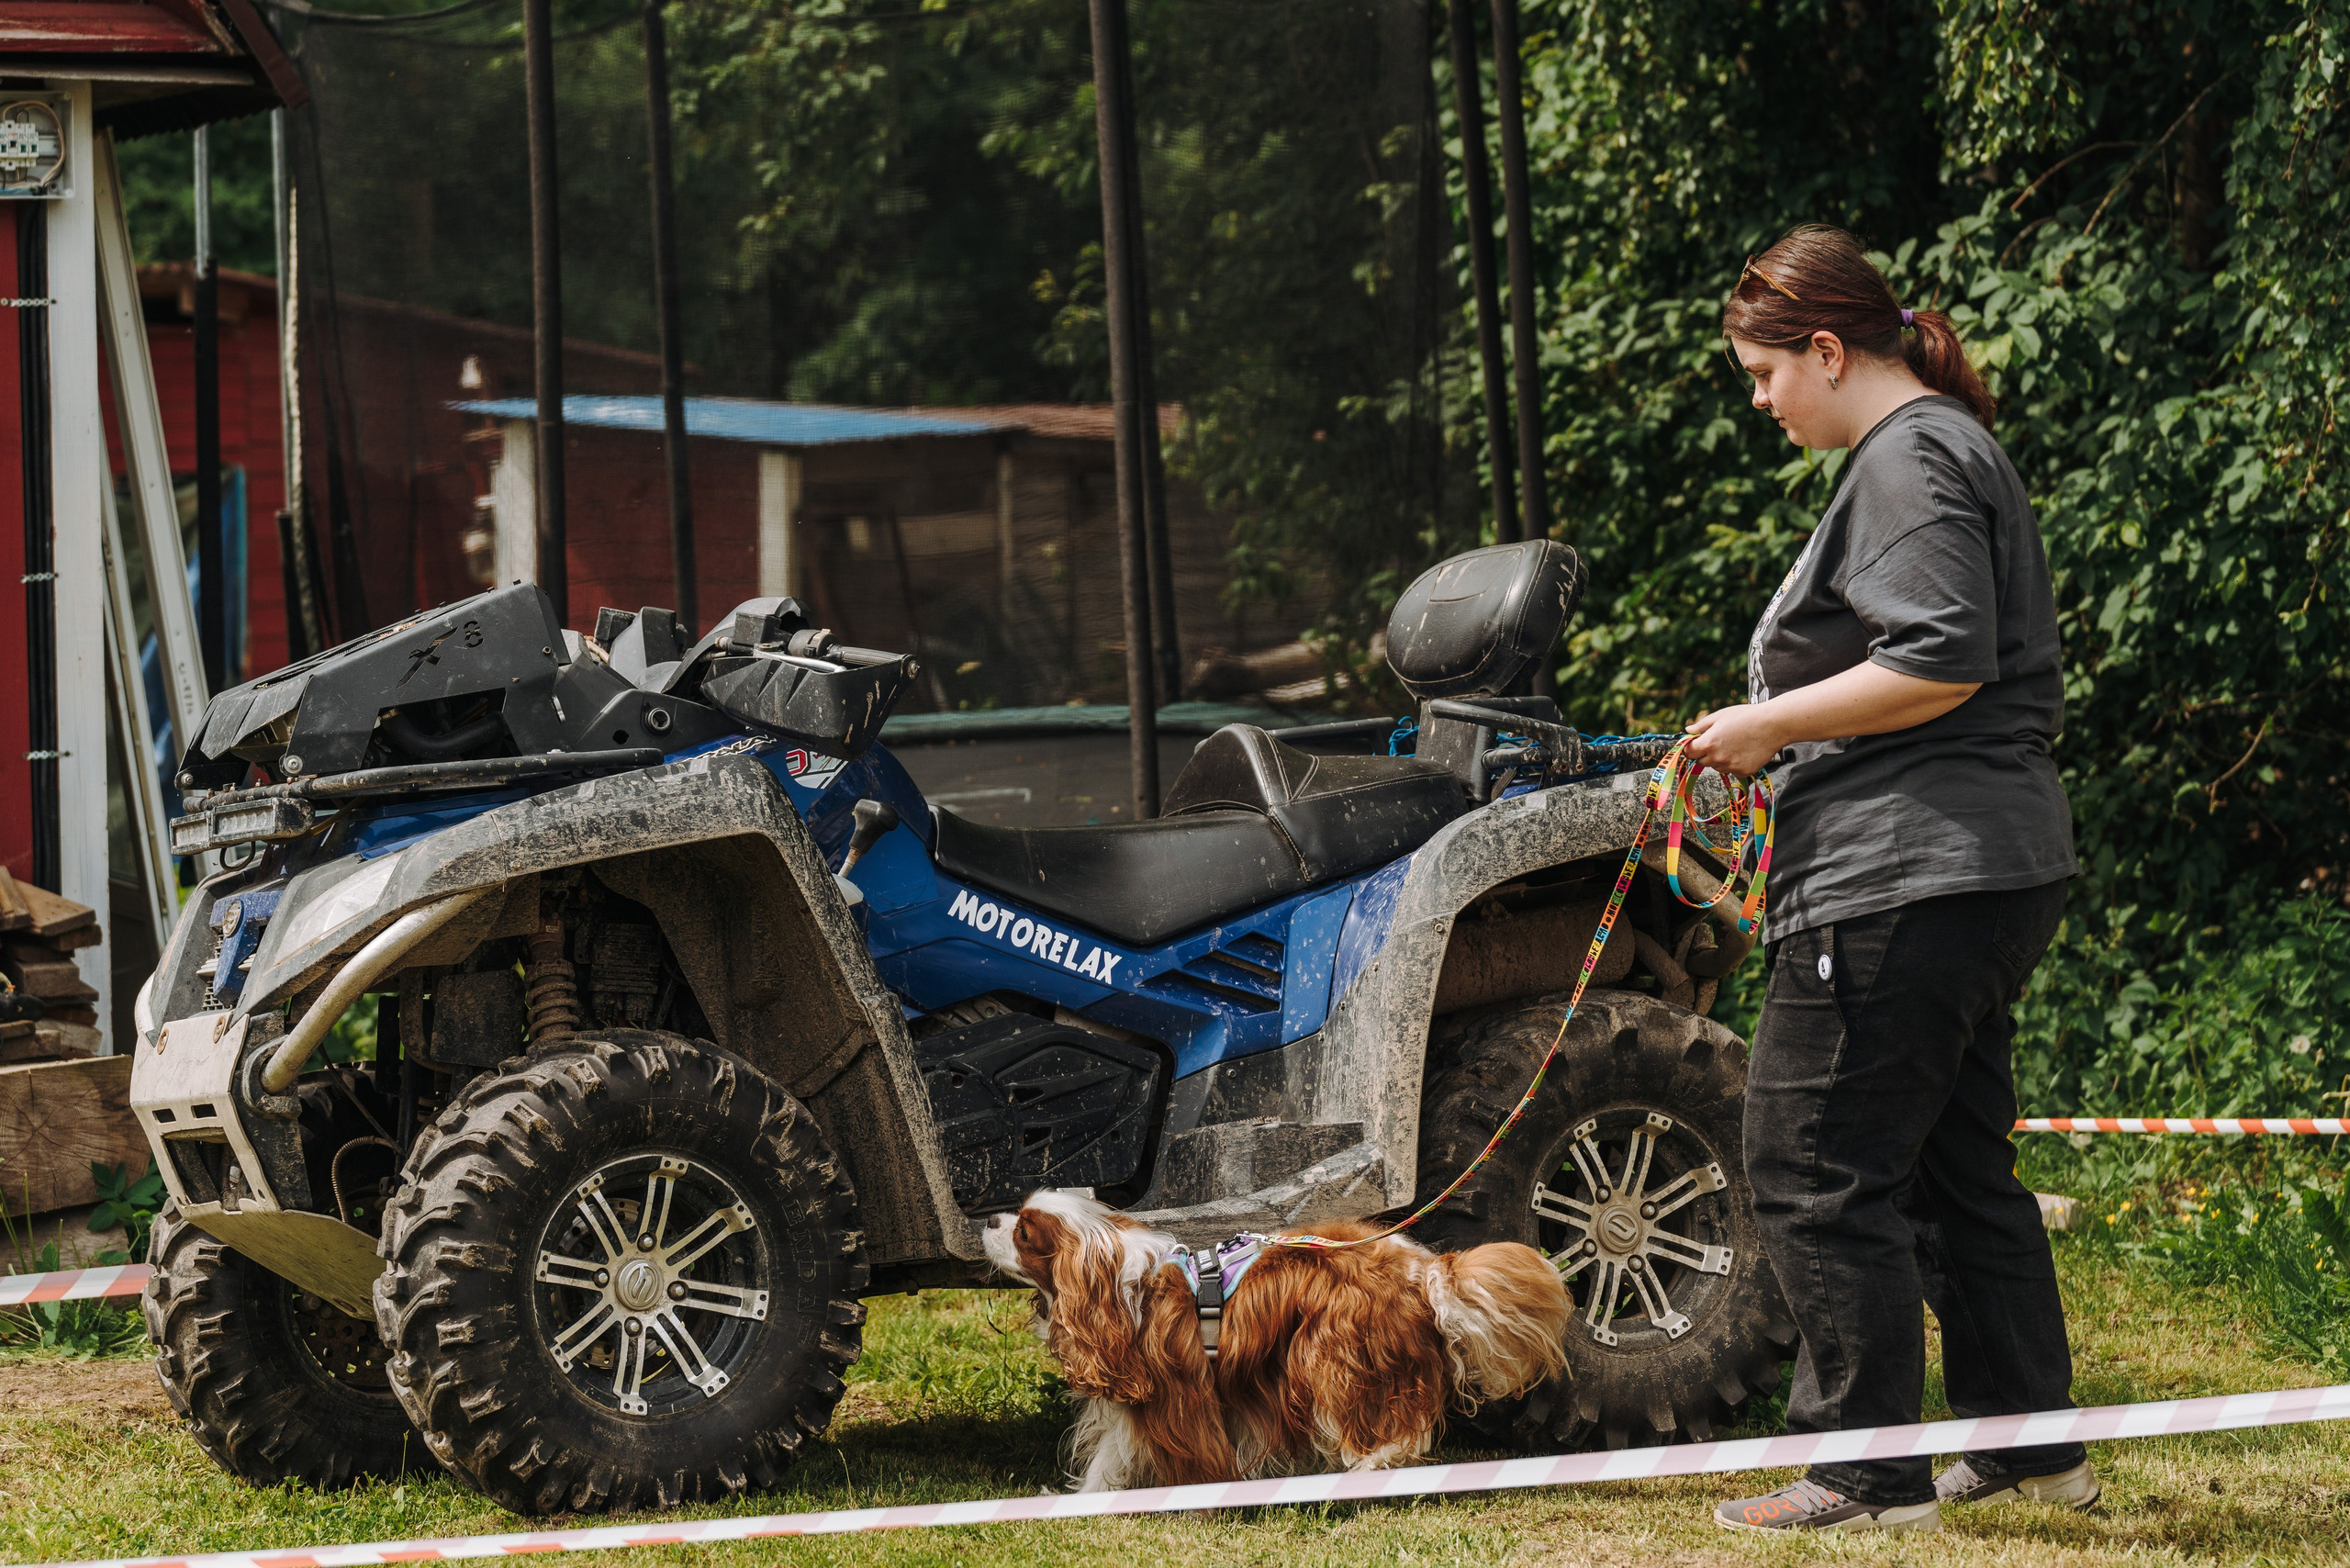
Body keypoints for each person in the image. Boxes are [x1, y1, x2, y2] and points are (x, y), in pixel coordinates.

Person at [1686, 225, 2095, 1534]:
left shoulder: (1908, 457)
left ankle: (1862, 1472)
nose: (1761, 402)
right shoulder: (1948, 449)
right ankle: (2026, 1445)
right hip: (1981, 865)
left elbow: (1939, 660)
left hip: (1902, 873)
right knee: (1955, 1168)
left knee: (1810, 1161)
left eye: (1763, 374)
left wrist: (1769, 727)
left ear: (1825, 348)